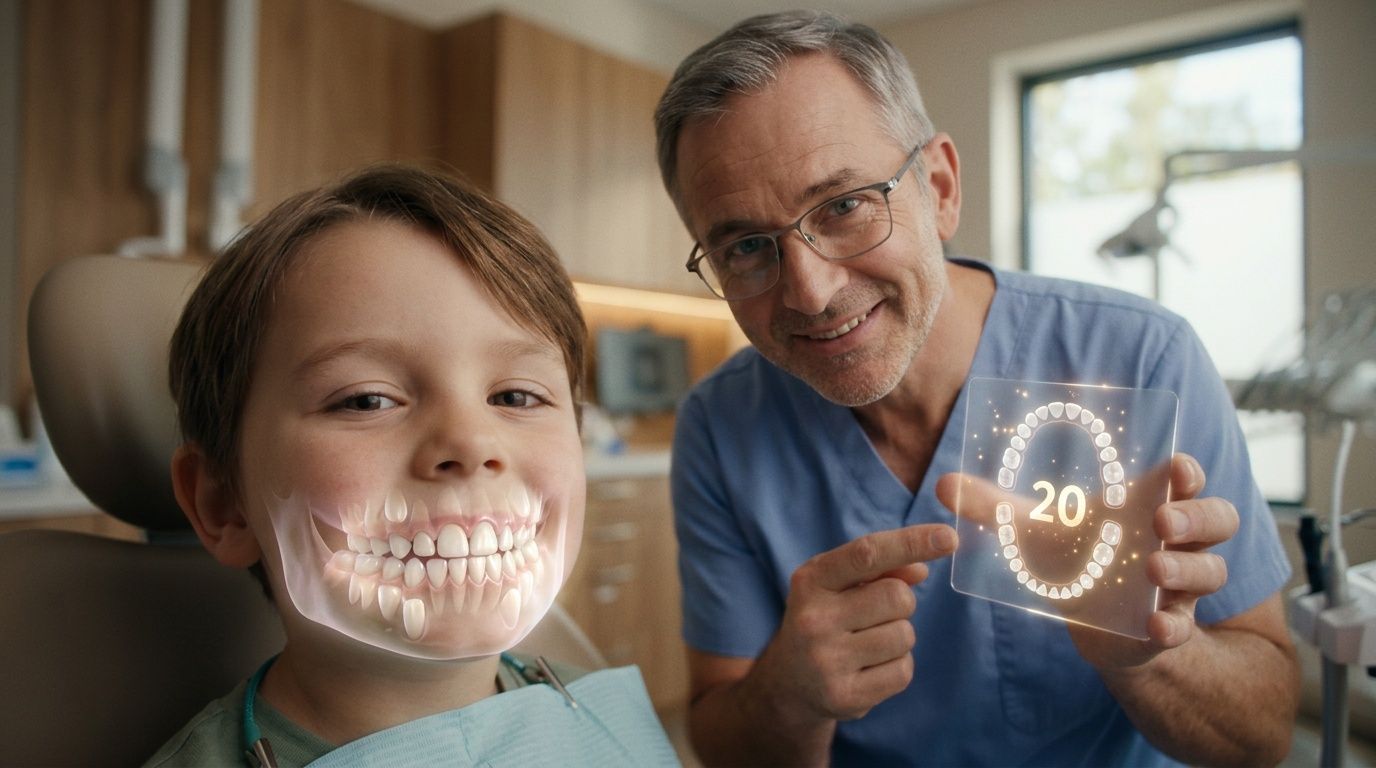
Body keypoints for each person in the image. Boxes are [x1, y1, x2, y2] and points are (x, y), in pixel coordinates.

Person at [653, 10, 1298, 767]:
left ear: (940, 187)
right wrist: (789, 695)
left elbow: (1264, 737)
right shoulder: (721, 426)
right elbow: (720, 739)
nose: (810, 291)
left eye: (844, 206)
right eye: (748, 247)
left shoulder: (1141, 358)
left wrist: (1151, 658)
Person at [145, 165, 678, 766]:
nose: (472, 442)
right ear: (224, 505)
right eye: (366, 399)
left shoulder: (598, 708)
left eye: (516, 396)